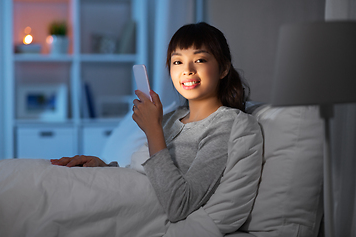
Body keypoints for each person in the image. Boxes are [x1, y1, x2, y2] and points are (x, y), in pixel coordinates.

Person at [51, 22, 250, 222]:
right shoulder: (172, 117)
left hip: (130, 211)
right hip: (116, 193)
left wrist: (153, 129)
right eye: (177, 62)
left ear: (223, 68)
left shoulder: (226, 124)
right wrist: (104, 167)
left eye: (199, 59)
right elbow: (146, 176)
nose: (187, 70)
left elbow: (179, 205)